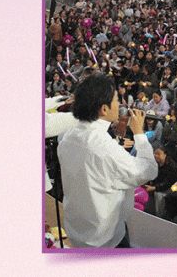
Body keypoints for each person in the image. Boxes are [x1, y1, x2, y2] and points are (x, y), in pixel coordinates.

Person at [57, 73, 158, 248]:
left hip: (76, 232)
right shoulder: (104, 148)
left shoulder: (66, 136)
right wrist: (139, 134)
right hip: (106, 240)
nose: (119, 105)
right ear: (104, 109)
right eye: (116, 100)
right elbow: (149, 170)